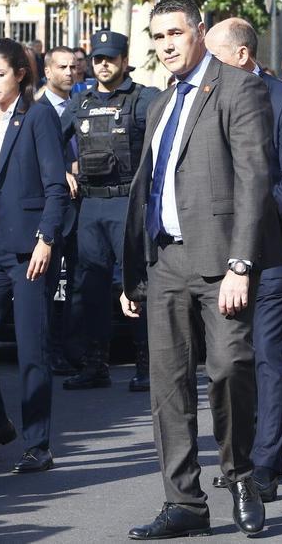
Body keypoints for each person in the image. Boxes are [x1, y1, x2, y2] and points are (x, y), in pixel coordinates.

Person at [120, 0, 282, 538]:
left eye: (174, 33)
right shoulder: (162, 102)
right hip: (165, 259)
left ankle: (240, 475)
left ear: (199, 30)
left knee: (231, 366)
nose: (165, 45)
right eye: (157, 37)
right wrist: (136, 271)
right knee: (166, 385)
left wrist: (242, 264)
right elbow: (150, 187)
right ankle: (184, 503)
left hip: (221, 260)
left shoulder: (240, 87)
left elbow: (255, 179)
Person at [205, 18, 282, 503]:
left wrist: (246, 218)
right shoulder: (207, 99)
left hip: (274, 251)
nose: (205, 65)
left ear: (241, 56)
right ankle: (240, 460)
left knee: (267, 356)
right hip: (220, 251)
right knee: (232, 360)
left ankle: (266, 466)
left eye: (214, 55)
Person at [0, 38, 69, 474]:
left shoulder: (38, 116)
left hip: (28, 244)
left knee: (31, 345)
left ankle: (37, 442)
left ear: (21, 73)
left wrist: (46, 240)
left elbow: (56, 186)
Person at [63, 31, 159, 393]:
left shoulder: (143, 98)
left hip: (127, 203)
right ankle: (94, 364)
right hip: (90, 205)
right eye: (98, 58)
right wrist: (59, 170)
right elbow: (47, 142)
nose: (104, 64)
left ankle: (147, 364)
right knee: (91, 287)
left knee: (135, 283)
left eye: (111, 58)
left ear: (124, 59)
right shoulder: (80, 102)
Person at [37, 46, 83, 375]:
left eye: (73, 67)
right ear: (47, 71)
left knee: (79, 284)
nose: (69, 72)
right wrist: (59, 172)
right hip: (50, 209)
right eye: (62, 67)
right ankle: (47, 351)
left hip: (82, 206)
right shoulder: (35, 111)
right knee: (49, 286)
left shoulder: (82, 104)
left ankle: (75, 351)